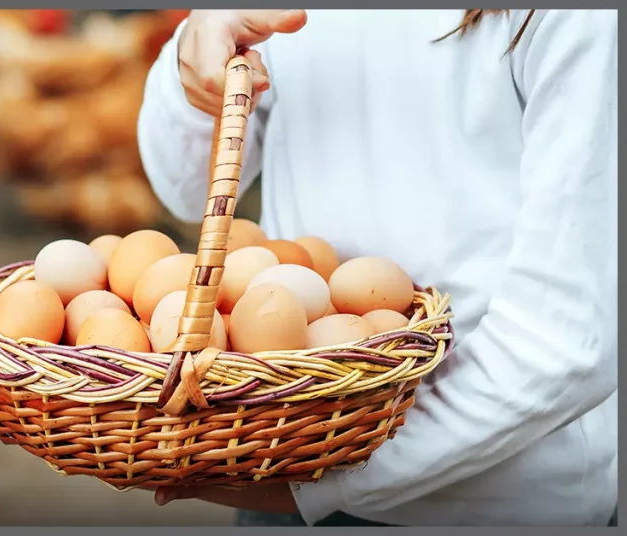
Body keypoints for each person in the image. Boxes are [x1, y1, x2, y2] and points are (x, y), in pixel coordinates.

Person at [137, 9, 617, 527]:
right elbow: (184, 185)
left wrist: (327, 481)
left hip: (498, 495)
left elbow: (569, 333)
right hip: (291, 430)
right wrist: (199, 48)